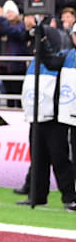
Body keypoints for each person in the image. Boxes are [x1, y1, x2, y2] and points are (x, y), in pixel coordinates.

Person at [21, 25, 76, 212]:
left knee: (61, 159)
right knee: (38, 159)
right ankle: (37, 195)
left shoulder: (65, 55)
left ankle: (70, 196)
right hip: (38, 115)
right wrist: (41, 42)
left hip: (56, 118)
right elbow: (50, 61)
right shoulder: (67, 56)